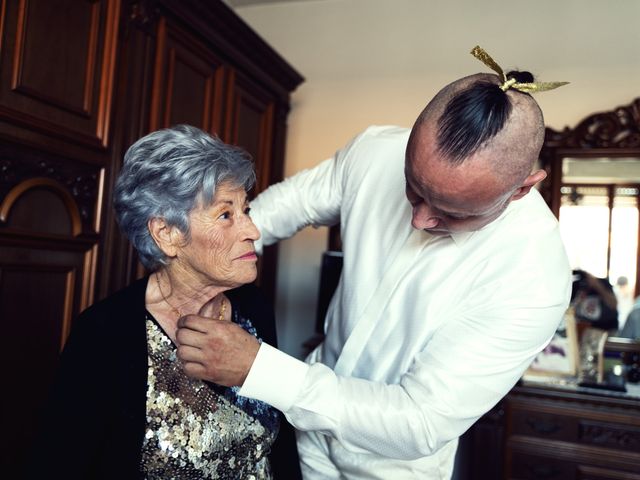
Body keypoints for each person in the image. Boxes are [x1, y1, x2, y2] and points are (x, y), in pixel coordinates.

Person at [175, 47, 572, 478]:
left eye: (453, 212)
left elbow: (419, 421)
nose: (420, 218)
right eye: (413, 188)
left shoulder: (534, 276)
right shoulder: (376, 151)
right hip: (300, 437)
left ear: (522, 189)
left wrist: (259, 369)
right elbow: (284, 208)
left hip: (394, 468)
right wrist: (207, 259)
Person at [27, 125, 301, 479]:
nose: (252, 230)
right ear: (167, 234)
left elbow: (280, 448)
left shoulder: (253, 308)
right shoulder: (103, 334)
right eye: (226, 215)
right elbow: (57, 465)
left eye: (245, 210)